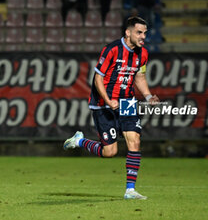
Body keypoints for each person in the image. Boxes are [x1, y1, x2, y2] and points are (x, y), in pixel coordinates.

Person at [63, 16, 159, 200]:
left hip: (127, 102)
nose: (143, 37)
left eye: (145, 33)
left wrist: (147, 96)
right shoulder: (112, 50)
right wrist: (107, 100)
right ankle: (80, 141)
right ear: (128, 32)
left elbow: (139, 76)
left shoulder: (143, 54)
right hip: (102, 104)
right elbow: (98, 78)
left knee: (135, 141)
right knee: (110, 152)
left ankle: (130, 190)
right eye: (139, 32)